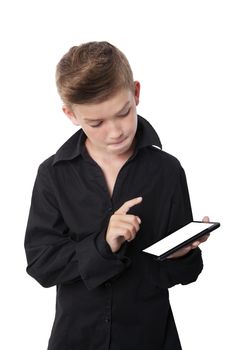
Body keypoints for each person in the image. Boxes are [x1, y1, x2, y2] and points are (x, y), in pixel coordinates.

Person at [24, 41, 209, 350]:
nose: (115, 132)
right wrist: (103, 245)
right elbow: (42, 265)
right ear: (70, 114)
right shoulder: (53, 175)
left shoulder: (167, 170)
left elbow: (182, 275)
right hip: (76, 339)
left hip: (150, 338)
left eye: (123, 113)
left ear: (136, 93)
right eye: (95, 123)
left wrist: (182, 255)